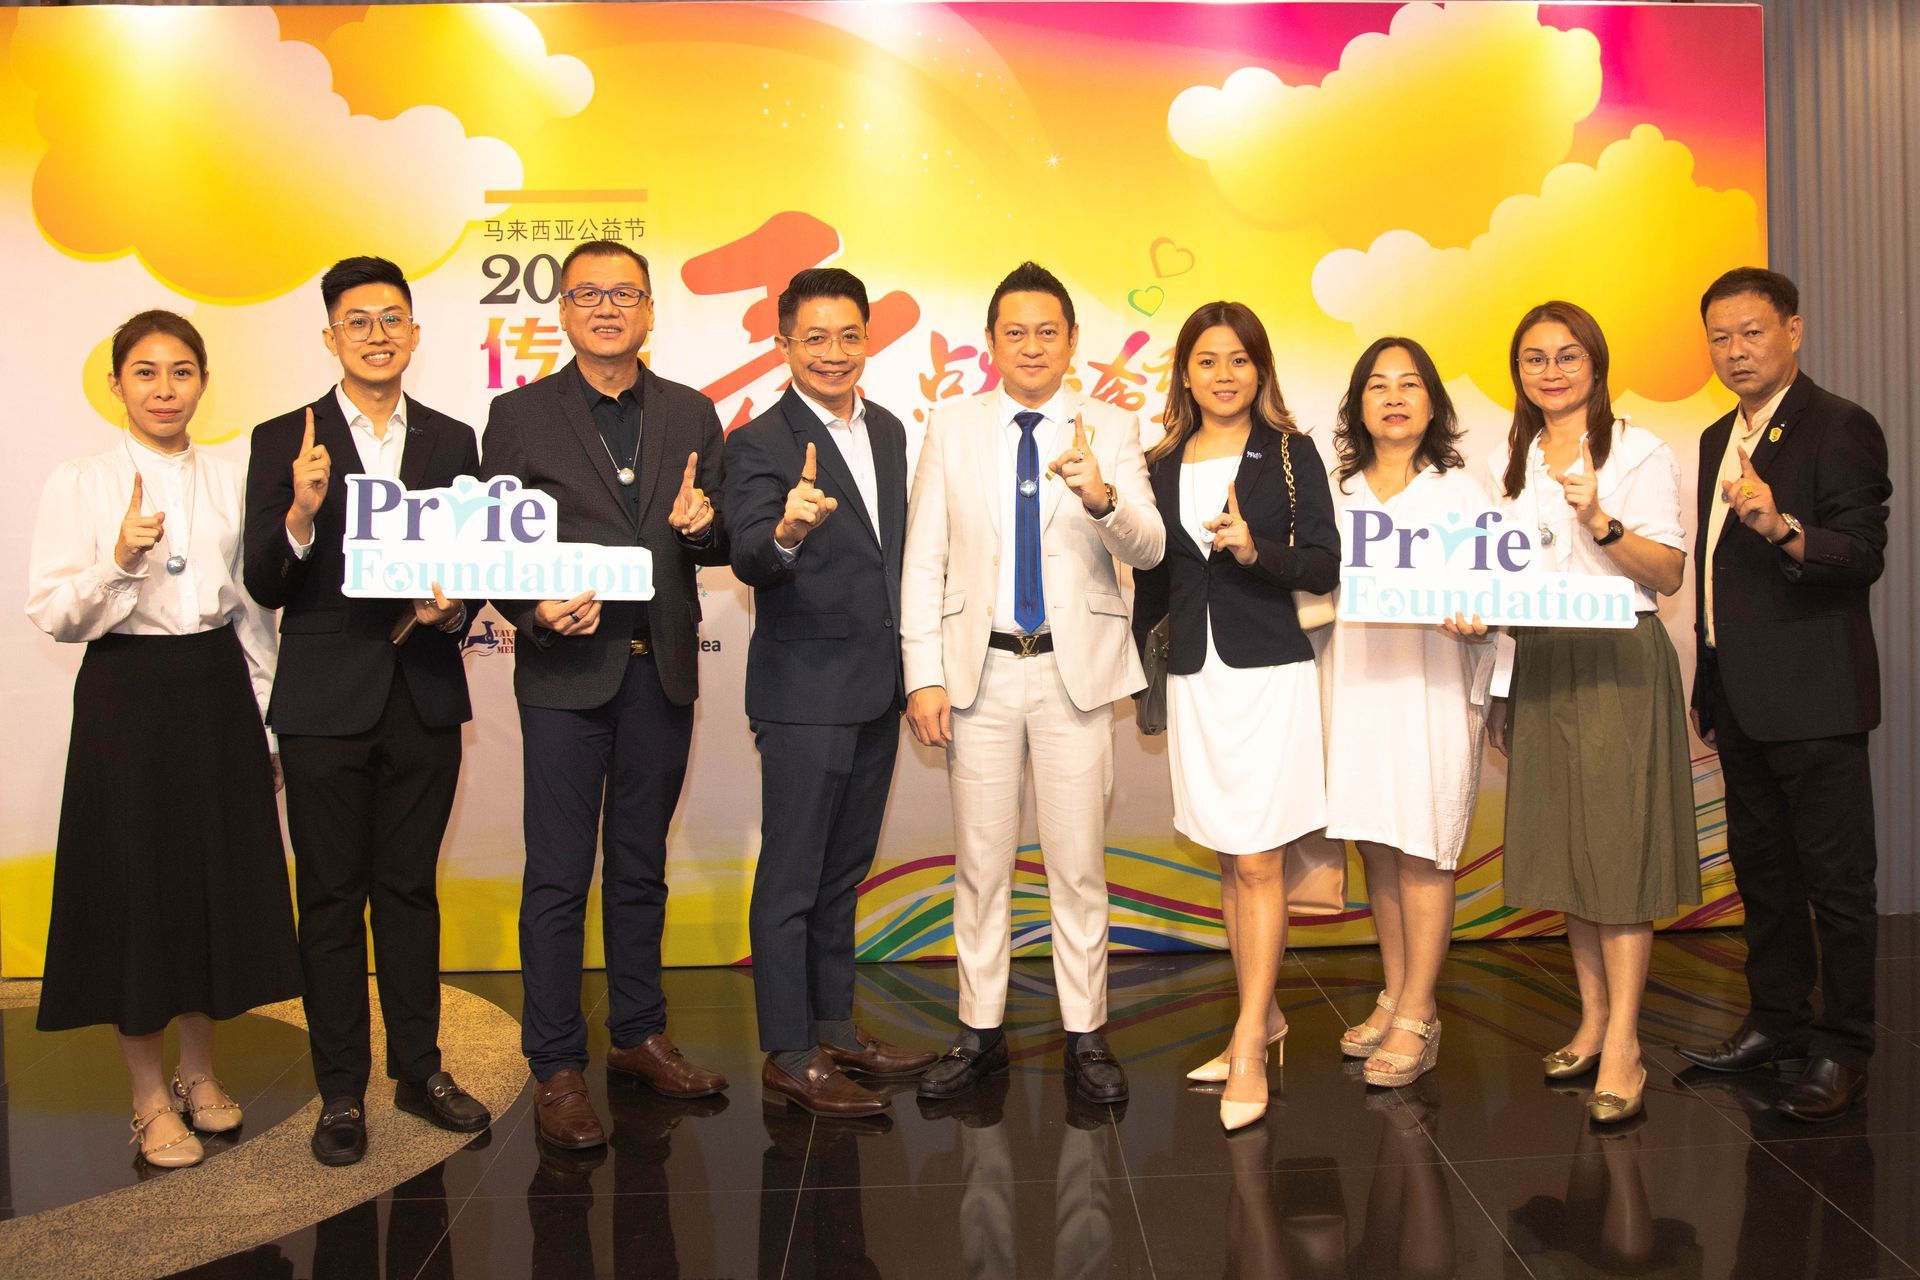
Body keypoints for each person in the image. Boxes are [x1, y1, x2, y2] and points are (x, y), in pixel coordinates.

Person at [26, 310, 301, 1168]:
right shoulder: (81, 481)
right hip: (127, 696)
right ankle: (147, 1098)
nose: (164, 389)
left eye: (181, 372)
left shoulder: (231, 477)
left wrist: (268, 720)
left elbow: (254, 614)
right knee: (138, 892)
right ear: (116, 384)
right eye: (145, 372)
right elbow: (53, 612)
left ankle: (199, 1072)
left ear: (203, 382)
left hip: (216, 691)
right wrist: (118, 559)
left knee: (212, 884)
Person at [481, 239, 730, 1150]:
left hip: (659, 670)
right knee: (557, 875)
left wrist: (705, 528)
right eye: (589, 294)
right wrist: (533, 610)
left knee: (639, 867)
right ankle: (555, 1064)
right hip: (563, 676)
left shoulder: (691, 411)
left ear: (650, 310)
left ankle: (637, 1035)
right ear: (563, 311)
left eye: (625, 294)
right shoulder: (518, 415)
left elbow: (720, 536)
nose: (607, 308)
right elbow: (492, 548)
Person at [244, 256, 491, 1167]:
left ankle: (419, 1070)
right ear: (330, 336)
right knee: (330, 898)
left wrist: (452, 608)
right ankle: (341, 1090)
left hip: (422, 693)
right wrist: (302, 513)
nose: (377, 334)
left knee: (410, 892)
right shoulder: (286, 439)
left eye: (392, 317)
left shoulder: (453, 439)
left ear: (415, 332)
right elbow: (263, 578)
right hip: (322, 703)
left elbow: (475, 564)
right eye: (358, 320)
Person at [902, 261, 1165, 1105]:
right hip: (977, 675)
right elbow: (925, 559)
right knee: (981, 865)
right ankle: (978, 1031)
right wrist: (923, 675)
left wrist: (1101, 496)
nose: (1031, 346)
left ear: (1072, 341)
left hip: (1071, 674)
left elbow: (1151, 546)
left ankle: (1086, 1033)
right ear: (990, 342)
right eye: (1014, 332)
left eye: (1047, 331)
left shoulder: (1111, 428)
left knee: (1077, 865)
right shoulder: (952, 427)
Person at [1675, 268, 1891, 1121]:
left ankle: (1845, 1048)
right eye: (1720, 337)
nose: (1735, 351)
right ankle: (1776, 1022)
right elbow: (1716, 576)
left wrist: (1783, 527)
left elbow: (1862, 552)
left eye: (1752, 332)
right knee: (1763, 875)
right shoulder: (1714, 437)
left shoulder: (1838, 425)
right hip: (1738, 696)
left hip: (1816, 697)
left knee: (1837, 884)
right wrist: (1708, 675)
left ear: (1792, 331)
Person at [723, 267, 937, 1115]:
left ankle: (835, 1027)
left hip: (876, 688)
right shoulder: (757, 441)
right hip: (803, 692)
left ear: (868, 340)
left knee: (842, 873)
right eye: (814, 338)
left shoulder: (887, 429)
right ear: (783, 344)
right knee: (791, 879)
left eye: (849, 335)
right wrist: (786, 528)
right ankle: (788, 1051)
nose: (834, 353)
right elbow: (747, 552)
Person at [1485, 300, 1696, 1124]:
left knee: (1617, 853)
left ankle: (1627, 1045)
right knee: (1569, 848)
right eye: (1534, 358)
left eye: (1567, 355)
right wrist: (1503, 684)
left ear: (1596, 363)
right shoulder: (1513, 460)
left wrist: (1600, 521)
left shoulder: (1638, 450)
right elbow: (1507, 586)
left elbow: (1668, 573)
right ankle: (1594, 1019)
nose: (1551, 371)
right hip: (1543, 658)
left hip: (1616, 659)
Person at [1130, 301, 1338, 1129]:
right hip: (1196, 676)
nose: (1224, 375)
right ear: (1185, 374)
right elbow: (1153, 577)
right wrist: (1140, 667)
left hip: (1267, 673)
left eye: (1240, 360)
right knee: (1228, 856)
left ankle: (1249, 1040)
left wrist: (1255, 551)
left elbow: (1323, 562)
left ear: (1261, 370)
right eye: (1208, 360)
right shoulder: (1158, 460)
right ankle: (1265, 1013)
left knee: (1258, 862)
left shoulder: (1290, 452)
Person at [1323, 336, 1491, 1090]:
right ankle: (1395, 993)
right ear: (1358, 404)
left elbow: (1497, 592)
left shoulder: (1462, 491)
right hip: (1356, 687)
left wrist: (1480, 618)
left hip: (1432, 690)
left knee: (1423, 849)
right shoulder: (1336, 491)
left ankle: (1420, 1012)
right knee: (1377, 846)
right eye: (1378, 385)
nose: (1394, 397)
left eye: (1410, 384)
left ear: (1433, 403)